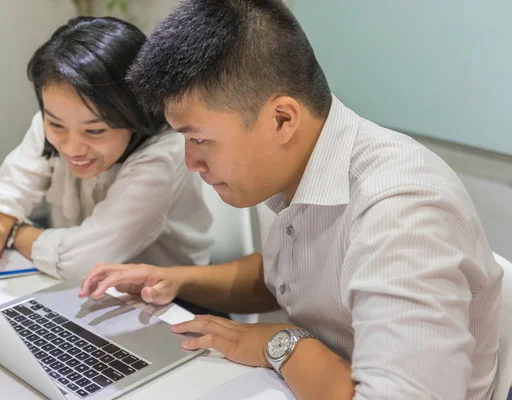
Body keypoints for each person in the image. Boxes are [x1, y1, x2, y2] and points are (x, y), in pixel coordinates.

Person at [78, 1, 503, 399]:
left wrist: (281, 344)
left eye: (200, 139)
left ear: (282, 119)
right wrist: (175, 279)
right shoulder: (292, 164)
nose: (192, 161)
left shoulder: (402, 210)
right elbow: (291, 274)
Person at [0, 17, 212, 289]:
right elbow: (1, 204)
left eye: (94, 131)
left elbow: (83, 262)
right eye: (55, 124)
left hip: (177, 304)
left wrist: (14, 230)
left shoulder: (163, 154)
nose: (71, 148)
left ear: (135, 113)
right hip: (86, 293)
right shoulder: (49, 127)